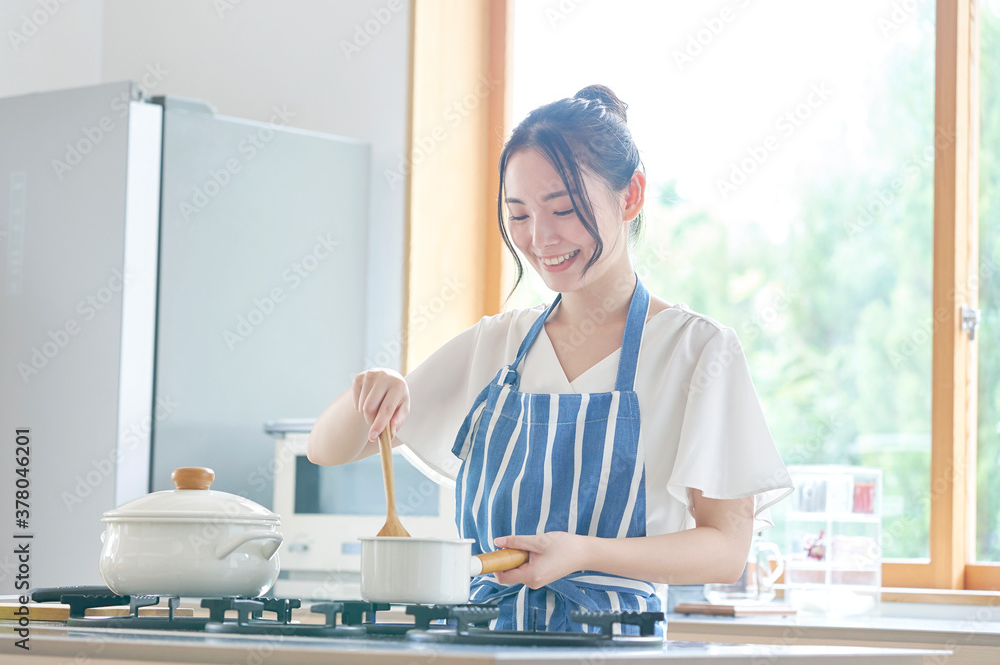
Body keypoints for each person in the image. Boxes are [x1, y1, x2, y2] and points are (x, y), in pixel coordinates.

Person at [307, 84, 793, 633]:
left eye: (562, 209)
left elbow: (725, 549)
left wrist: (584, 553)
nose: (540, 238)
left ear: (631, 196)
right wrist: (370, 391)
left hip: (611, 647)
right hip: (477, 641)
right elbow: (327, 450)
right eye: (518, 215)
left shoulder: (696, 350)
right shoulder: (497, 344)